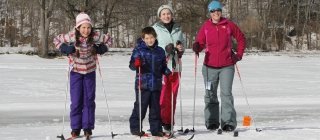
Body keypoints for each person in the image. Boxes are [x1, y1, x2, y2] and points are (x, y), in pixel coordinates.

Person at [53, 12, 112, 138]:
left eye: (88, 27)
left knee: (89, 100)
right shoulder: (72, 36)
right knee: (76, 101)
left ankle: (88, 128)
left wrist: (102, 48)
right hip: (75, 71)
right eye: (83, 27)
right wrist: (65, 48)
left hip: (90, 71)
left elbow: (109, 40)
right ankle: (75, 128)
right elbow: (56, 40)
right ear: (78, 27)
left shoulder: (95, 35)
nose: (86, 30)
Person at [192, 0, 246, 132]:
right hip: (209, 68)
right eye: (213, 11)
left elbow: (241, 38)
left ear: (221, 11)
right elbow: (199, 42)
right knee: (210, 94)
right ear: (209, 13)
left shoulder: (228, 24)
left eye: (218, 10)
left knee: (226, 94)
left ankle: (228, 122)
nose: (216, 13)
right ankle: (211, 121)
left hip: (226, 66)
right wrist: (197, 47)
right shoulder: (205, 26)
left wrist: (238, 55)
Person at [129, 27, 171, 137]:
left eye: (151, 37)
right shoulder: (139, 50)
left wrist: (166, 71)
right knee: (140, 107)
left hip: (156, 84)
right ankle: (135, 128)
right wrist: (136, 64)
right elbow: (132, 66)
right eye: (147, 38)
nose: (149, 40)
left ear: (155, 37)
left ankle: (156, 129)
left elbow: (162, 66)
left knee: (156, 108)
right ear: (143, 39)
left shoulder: (160, 51)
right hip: (142, 84)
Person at [152, 4, 185, 131]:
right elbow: (151, 46)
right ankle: (159, 120)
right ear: (160, 16)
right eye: (163, 14)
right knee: (162, 95)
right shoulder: (155, 28)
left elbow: (182, 43)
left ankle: (169, 121)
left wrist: (180, 48)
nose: (166, 16)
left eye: (168, 13)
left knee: (173, 95)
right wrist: (166, 50)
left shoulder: (178, 28)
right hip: (162, 66)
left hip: (176, 66)